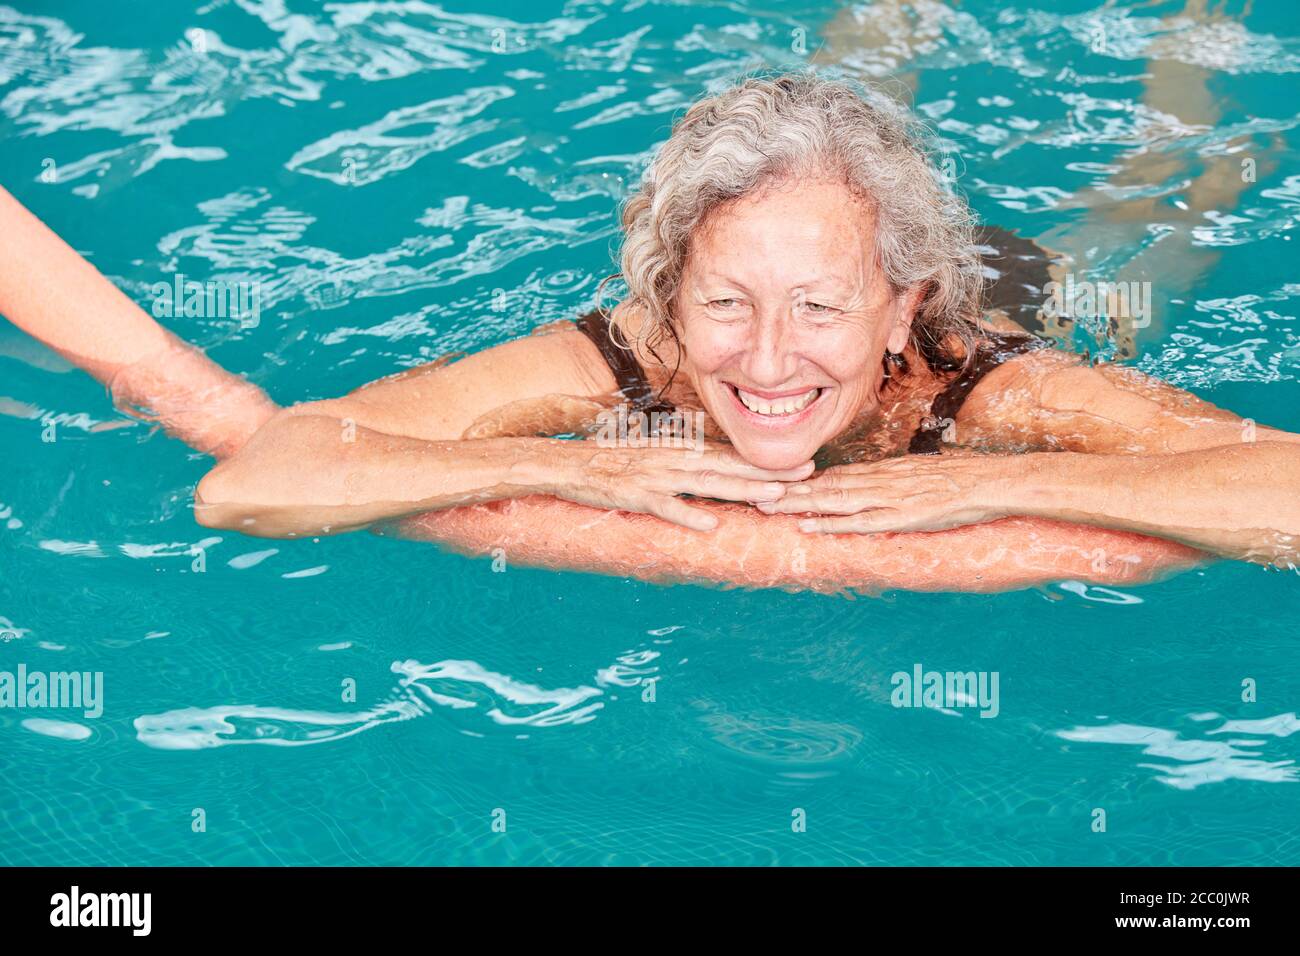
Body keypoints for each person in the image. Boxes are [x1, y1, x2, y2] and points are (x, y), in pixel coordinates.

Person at [5, 74, 1294, 593]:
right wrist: (560, 462)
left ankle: (1207, 133)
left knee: (1147, 235)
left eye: (819, 310)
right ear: (668, 301)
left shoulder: (984, 386)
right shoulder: (617, 362)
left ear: (902, 308)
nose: (770, 360)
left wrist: (968, 480)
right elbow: (261, 478)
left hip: (1009, 295)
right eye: (724, 304)